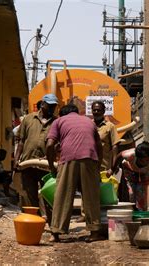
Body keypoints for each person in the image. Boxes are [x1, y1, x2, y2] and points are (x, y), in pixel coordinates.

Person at [46, 104, 104, 243]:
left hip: (68, 159)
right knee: (91, 196)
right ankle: (95, 232)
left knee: (62, 195)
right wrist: (97, 165)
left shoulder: (58, 121)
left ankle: (56, 233)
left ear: (62, 114)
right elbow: (99, 145)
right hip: (90, 158)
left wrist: (51, 166)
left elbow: (49, 145)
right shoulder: (89, 122)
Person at [14, 93, 58, 211]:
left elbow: (58, 144)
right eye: (50, 106)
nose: (52, 109)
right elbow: (21, 140)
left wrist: (50, 156)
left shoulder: (57, 122)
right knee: (29, 195)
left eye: (54, 106)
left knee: (49, 195)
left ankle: (52, 224)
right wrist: (17, 159)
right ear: (43, 104)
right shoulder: (28, 119)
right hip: (27, 163)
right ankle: (34, 222)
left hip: (47, 166)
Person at [91, 101, 119, 171]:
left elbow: (115, 146)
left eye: (98, 110)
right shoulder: (88, 125)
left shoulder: (110, 126)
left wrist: (113, 166)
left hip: (104, 167)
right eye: (94, 110)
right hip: (90, 167)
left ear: (103, 111)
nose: (96, 112)